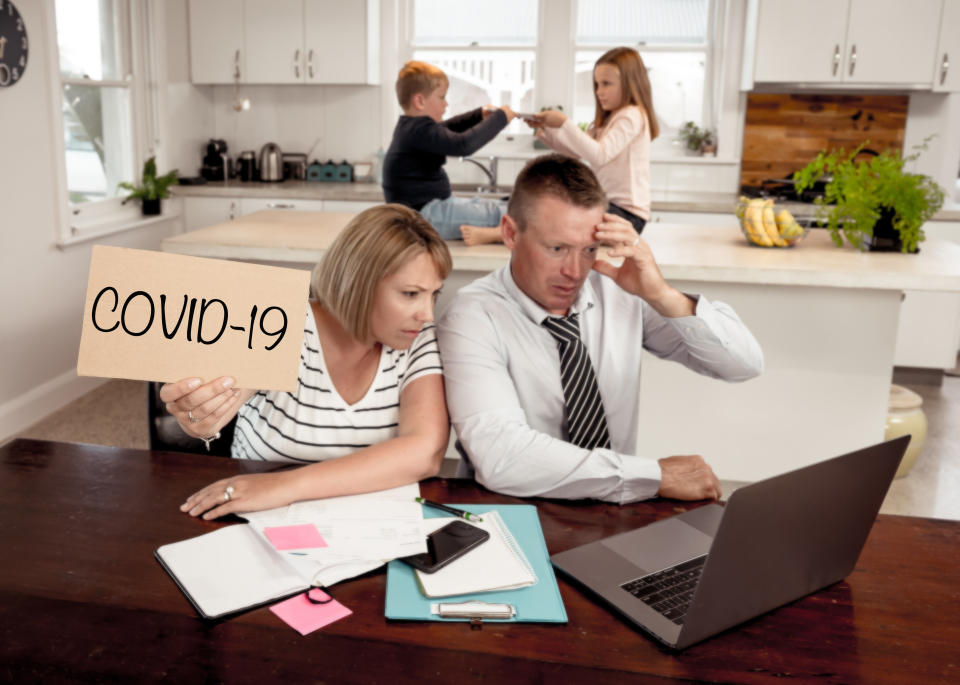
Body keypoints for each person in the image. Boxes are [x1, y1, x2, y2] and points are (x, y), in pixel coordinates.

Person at [436, 155, 763, 504]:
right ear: (510, 233)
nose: (575, 272)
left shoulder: (619, 291)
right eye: (557, 248)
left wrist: (662, 294)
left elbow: (743, 364)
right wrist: (652, 475)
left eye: (589, 249)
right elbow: (503, 456)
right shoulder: (471, 316)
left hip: (615, 510)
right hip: (510, 511)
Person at [161, 204, 452, 519]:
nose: (427, 314)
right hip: (256, 516)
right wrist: (204, 414)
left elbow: (425, 451)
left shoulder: (418, 339)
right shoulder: (280, 322)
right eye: (411, 294)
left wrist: (285, 486)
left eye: (433, 294)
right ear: (359, 283)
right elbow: (224, 397)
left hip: (364, 523)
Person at [382, 60, 516, 244]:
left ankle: (504, 219)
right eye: (441, 97)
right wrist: (501, 119)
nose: (446, 104)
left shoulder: (412, 127)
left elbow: (446, 129)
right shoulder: (418, 130)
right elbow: (463, 145)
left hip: (430, 210)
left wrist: (478, 115)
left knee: (490, 207)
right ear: (420, 101)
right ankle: (498, 230)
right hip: (425, 218)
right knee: (506, 215)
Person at [531, 46, 658, 235]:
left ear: (631, 83)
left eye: (607, 84)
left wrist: (564, 123)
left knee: (553, 215)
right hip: (610, 208)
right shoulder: (609, 119)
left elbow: (599, 155)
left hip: (627, 216)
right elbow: (576, 152)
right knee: (549, 211)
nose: (599, 92)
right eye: (597, 85)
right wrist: (545, 131)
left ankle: (497, 233)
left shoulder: (630, 115)